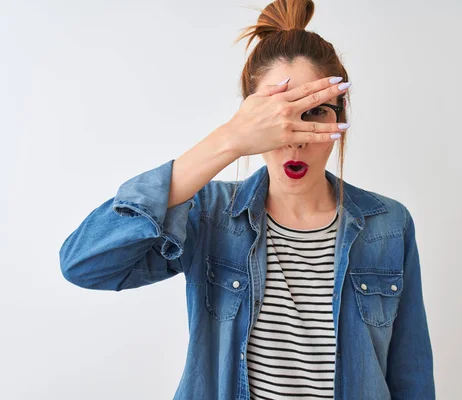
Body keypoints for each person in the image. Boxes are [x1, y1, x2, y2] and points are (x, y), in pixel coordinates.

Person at [59, 0, 435, 398]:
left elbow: (411, 377)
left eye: (315, 112)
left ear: (339, 118)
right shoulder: (209, 214)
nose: (294, 137)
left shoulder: (388, 224)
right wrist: (227, 141)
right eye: (277, 116)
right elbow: (84, 264)